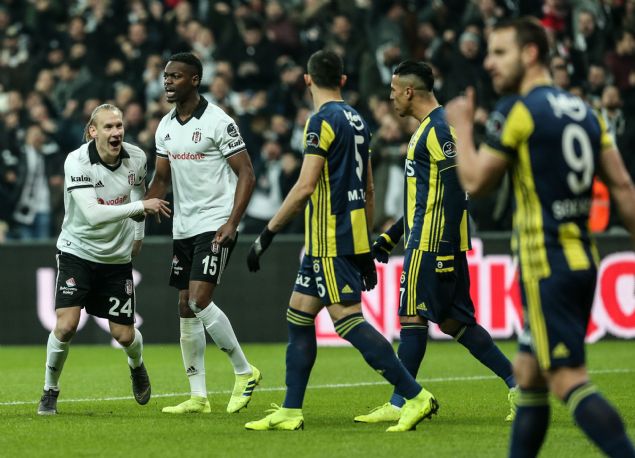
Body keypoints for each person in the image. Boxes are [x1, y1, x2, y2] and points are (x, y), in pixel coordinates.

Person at [445, 17, 635, 458]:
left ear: (530, 54)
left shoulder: (518, 111)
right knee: (529, 376)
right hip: (582, 260)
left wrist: (461, 126)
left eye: (500, 52)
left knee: (569, 380)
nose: (489, 63)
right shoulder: (586, 111)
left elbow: (475, 182)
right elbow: (624, 187)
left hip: (545, 264)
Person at [244, 50, 438, 432]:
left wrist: (267, 234)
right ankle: (291, 409)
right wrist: (364, 247)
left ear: (307, 80)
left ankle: (415, 396)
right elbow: (368, 189)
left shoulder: (320, 121)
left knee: (347, 321)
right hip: (342, 239)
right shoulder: (358, 120)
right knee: (299, 316)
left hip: (329, 239)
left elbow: (305, 187)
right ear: (343, 81)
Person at [354, 60, 518, 425]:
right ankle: (518, 385)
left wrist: (442, 244)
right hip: (435, 240)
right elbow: (426, 196)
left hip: (432, 244)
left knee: (411, 317)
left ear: (409, 91)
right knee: (455, 322)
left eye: (394, 90)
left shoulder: (438, 129)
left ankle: (403, 402)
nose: (391, 97)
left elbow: (457, 190)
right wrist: (392, 236)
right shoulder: (430, 128)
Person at [38, 104, 171, 415]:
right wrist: (141, 208)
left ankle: (136, 365)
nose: (116, 132)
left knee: (124, 335)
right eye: (108, 127)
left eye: (119, 126)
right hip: (77, 251)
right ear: (92, 131)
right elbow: (94, 214)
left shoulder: (136, 158)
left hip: (116, 258)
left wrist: (138, 236)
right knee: (66, 325)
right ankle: (50, 390)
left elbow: (138, 193)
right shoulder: (77, 161)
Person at [146, 52, 260, 415]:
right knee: (185, 306)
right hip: (184, 227)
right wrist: (135, 212)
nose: (168, 82)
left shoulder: (218, 122)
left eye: (175, 76)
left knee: (198, 300)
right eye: (166, 76)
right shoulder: (165, 126)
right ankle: (198, 396)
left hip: (215, 223)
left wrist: (232, 222)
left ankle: (245, 371)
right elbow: (161, 180)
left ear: (194, 80)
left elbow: (247, 173)